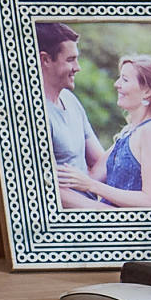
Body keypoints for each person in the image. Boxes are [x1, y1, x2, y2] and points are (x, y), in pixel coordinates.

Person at [58, 53, 151, 209]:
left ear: (147, 91)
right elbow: (93, 174)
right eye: (119, 78)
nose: (117, 84)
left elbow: (150, 201)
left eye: (125, 79)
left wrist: (91, 186)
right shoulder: (128, 132)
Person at [37, 22, 108, 209]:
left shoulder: (71, 100)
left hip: (92, 211)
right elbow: (44, 187)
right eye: (70, 60)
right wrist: (105, 212)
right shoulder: (33, 112)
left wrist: (134, 130)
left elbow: (99, 162)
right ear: (45, 60)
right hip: (68, 221)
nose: (78, 67)